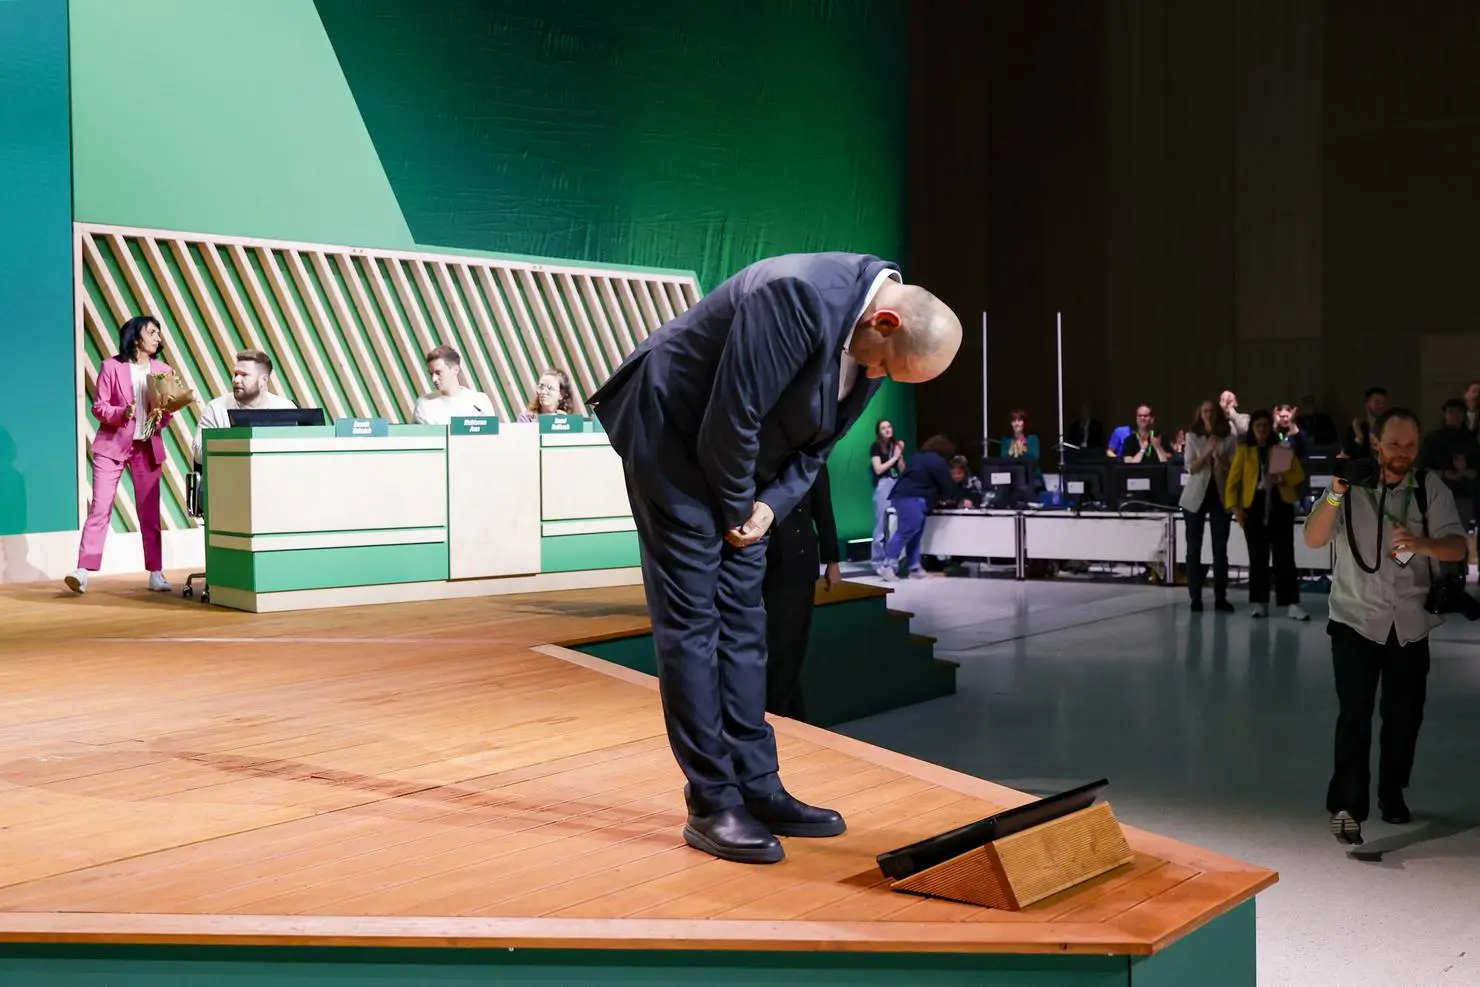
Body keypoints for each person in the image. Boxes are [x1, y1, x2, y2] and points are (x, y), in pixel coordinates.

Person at [588, 252, 962, 864]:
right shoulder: (794, 296)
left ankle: (757, 788)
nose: (881, 380)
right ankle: (711, 801)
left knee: (745, 625)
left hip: (743, 472)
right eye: (888, 370)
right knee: (693, 626)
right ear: (887, 323)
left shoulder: (871, 333)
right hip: (671, 439)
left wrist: (768, 507)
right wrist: (741, 509)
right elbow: (730, 419)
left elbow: (818, 447)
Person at [1302, 408, 1467, 845]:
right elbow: (1314, 537)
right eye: (1393, 444)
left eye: (1410, 445)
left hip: (1410, 624)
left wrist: (1421, 544)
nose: (1401, 454)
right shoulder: (1350, 486)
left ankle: (1392, 793)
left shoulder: (1430, 487)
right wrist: (1336, 489)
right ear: (1376, 443)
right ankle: (1347, 809)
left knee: (1404, 718)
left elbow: (1457, 547)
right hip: (1355, 619)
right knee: (1354, 716)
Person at [65, 316, 177, 595]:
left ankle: (156, 572)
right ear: (135, 337)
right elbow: (99, 407)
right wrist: (121, 413)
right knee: (100, 509)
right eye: (152, 332)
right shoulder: (111, 366)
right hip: (112, 446)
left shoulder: (163, 369)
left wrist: (161, 415)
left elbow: (168, 413)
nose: (158, 338)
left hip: (146, 447)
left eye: (159, 334)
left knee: (149, 513)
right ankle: (82, 570)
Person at [762, 462, 841, 723]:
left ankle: (780, 714)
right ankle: (786, 715)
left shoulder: (810, 462)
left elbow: (823, 510)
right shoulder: (759, 455)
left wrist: (832, 561)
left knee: (788, 645)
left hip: (797, 564)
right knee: (776, 647)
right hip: (761, 564)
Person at [1226, 410, 1308, 620]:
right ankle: (1259, 603)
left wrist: (1282, 477)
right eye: (1258, 426)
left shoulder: (1280, 449)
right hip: (1254, 506)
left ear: (1269, 428)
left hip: (1280, 504)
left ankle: (1290, 603)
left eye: (1264, 425)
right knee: (1258, 557)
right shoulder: (1245, 451)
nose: (1261, 429)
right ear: (1253, 429)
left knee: (1285, 557)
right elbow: (1232, 484)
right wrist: (1236, 509)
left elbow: (1298, 475)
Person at [882, 435, 968, 580]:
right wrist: (960, 499)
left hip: (902, 496)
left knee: (915, 534)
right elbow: (947, 483)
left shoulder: (918, 457)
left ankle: (914, 567)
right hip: (913, 498)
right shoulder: (937, 460)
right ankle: (888, 566)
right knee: (905, 532)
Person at [1181, 400, 1237, 612]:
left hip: (1220, 496)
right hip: (1195, 497)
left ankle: (1220, 598)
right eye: (1204, 411)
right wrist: (1207, 452)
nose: (1208, 414)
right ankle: (1195, 597)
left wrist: (1219, 457)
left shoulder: (1229, 438)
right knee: (1193, 549)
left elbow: (1234, 468)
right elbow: (1191, 468)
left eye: (1212, 411)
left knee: (1220, 549)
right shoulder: (1192, 437)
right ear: (1200, 414)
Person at [192, 350, 297, 461]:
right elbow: (198, 454)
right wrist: (239, 444)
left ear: (263, 380)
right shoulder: (215, 408)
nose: (236, 380)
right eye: (236, 374)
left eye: (244, 375)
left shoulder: (285, 408)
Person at [412, 346, 494, 424]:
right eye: (431, 374)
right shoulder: (424, 404)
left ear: (455, 370)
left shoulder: (480, 401)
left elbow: (492, 435)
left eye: (438, 373)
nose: (434, 379)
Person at [868, 419, 904, 577]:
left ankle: (891, 561)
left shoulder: (895, 446)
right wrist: (894, 458)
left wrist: (900, 454)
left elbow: (903, 470)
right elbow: (878, 469)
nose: (887, 429)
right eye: (883, 428)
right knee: (881, 525)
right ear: (879, 432)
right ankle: (877, 561)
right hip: (883, 485)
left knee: (895, 524)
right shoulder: (876, 447)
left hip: (896, 484)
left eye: (889, 426)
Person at [517, 368, 583, 422]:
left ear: (561, 394)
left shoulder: (569, 421)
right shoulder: (527, 419)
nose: (543, 392)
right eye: (541, 386)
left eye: (549, 388)